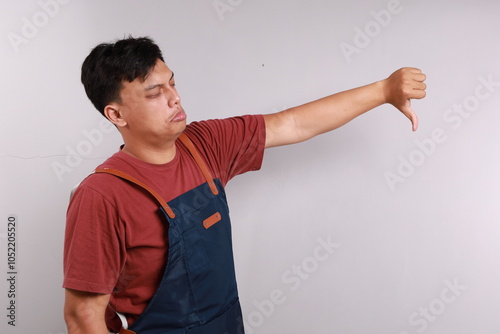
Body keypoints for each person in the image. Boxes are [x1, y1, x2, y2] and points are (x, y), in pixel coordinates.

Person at [63, 36, 426, 334]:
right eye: (155, 93)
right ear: (116, 114)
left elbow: (292, 124)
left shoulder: (204, 144)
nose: (175, 98)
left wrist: (383, 89)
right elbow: (83, 318)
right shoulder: (102, 196)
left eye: (172, 83)